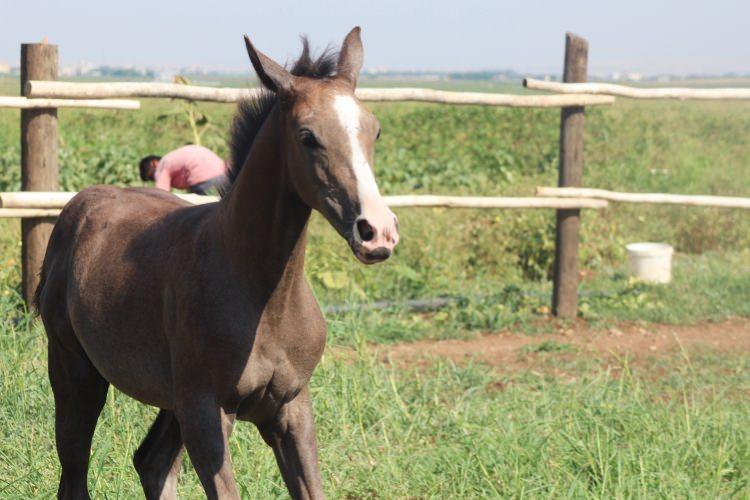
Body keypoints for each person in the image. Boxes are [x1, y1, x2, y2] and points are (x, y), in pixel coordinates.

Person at [139, 144, 230, 195]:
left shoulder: (162, 164)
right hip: (223, 175)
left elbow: (162, 194)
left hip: (204, 180)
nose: (155, 179)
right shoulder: (172, 157)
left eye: (152, 177)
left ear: (154, 163)